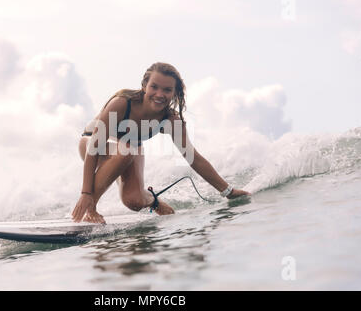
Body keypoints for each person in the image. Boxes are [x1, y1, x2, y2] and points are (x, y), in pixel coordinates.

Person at [73, 62, 250, 224]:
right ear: (144, 86)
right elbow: (95, 147)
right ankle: (91, 209)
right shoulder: (122, 103)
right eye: (154, 87)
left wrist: (228, 191)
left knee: (134, 201)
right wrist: (86, 194)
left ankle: (153, 200)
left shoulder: (172, 120)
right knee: (125, 151)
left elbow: (193, 158)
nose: (160, 94)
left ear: (175, 93)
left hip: (128, 150)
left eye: (167, 90)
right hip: (93, 144)